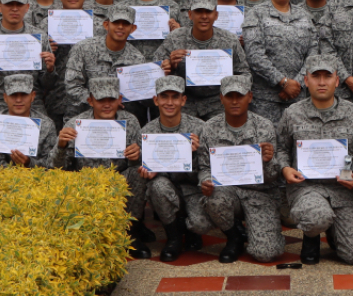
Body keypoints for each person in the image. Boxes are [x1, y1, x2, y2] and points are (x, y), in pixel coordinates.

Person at [275, 55, 353, 266]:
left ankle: (333, 232)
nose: (321, 82)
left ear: (337, 80)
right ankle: (312, 236)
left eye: (327, 76)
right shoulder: (292, 113)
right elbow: (281, 148)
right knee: (317, 216)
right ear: (306, 80)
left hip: (342, 188)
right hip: (305, 188)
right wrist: (285, 169)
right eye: (315, 76)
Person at [53, 75, 151, 257]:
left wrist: (138, 156)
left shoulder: (130, 121)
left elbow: (145, 161)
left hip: (119, 180)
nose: (107, 104)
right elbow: (56, 166)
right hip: (85, 183)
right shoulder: (75, 124)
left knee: (138, 174)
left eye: (111, 99)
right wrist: (61, 146)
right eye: (100, 100)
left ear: (119, 100)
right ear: (90, 100)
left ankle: (130, 231)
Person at [197, 75, 286, 264]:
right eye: (230, 96)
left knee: (266, 253)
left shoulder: (264, 127)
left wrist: (269, 161)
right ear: (221, 98)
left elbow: (272, 178)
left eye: (240, 95)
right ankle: (234, 236)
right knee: (214, 199)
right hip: (226, 191)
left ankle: (260, 231)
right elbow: (204, 167)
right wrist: (204, 181)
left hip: (259, 194)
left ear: (250, 97)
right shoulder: (209, 128)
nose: (235, 101)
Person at [138, 76, 209, 262]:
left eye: (175, 97)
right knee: (157, 186)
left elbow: (208, 168)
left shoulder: (199, 128)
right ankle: (174, 237)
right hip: (167, 187)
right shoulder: (147, 132)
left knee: (200, 224)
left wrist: (196, 153)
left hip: (193, 187)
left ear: (183, 100)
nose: (169, 102)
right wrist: (148, 172)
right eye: (164, 97)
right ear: (156, 100)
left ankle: (191, 230)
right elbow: (144, 167)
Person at [156, 0, 251, 120]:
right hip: (185, 101)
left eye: (208, 11)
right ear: (190, 15)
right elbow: (156, 71)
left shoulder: (229, 40)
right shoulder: (175, 39)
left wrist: (231, 90)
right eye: (199, 11)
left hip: (218, 101)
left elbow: (245, 74)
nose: (204, 16)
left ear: (216, 15)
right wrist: (170, 66)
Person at [241, 0, 317, 123]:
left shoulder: (304, 16)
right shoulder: (256, 14)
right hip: (266, 99)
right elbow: (254, 55)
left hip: (298, 97)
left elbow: (313, 52)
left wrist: (298, 84)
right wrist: (282, 82)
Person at [64, 4, 150, 121]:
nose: (120, 27)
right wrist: (101, 103)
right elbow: (72, 87)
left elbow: (141, 96)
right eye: (116, 23)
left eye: (125, 24)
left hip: (119, 122)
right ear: (106, 25)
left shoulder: (138, 59)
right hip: (84, 119)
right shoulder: (83, 49)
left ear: (133, 28)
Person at [44, 0, 103, 129]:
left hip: (88, 98)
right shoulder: (47, 24)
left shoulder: (99, 25)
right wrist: (48, 51)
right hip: (56, 96)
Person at [0, 74, 58, 169]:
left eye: (24, 95)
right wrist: (12, 171)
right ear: (5, 97)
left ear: (33, 96)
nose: (18, 100)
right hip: (0, 179)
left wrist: (29, 163)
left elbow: (52, 163)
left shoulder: (46, 125)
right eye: (13, 95)